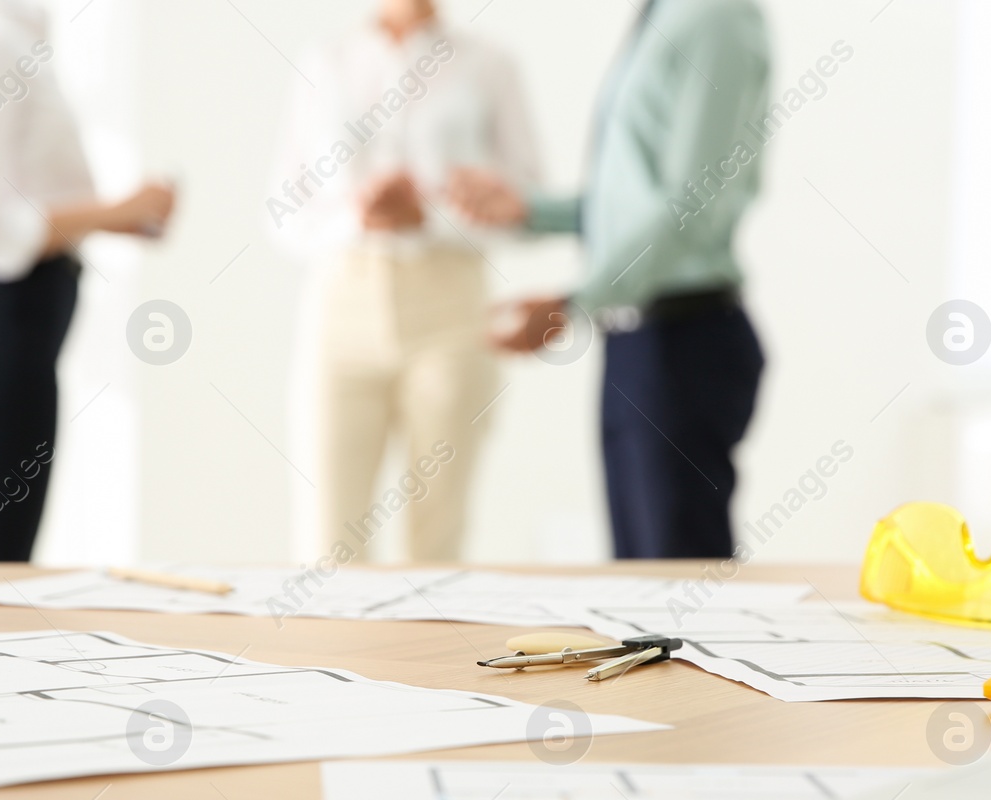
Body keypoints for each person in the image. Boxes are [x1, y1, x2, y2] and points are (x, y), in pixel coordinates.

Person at [449, 0, 770, 559]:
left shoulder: (714, 16)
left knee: (679, 593)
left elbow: (688, 204)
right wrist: (531, 210)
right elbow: (639, 199)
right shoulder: (664, 15)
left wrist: (575, 300)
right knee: (640, 588)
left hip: (684, 341)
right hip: (636, 340)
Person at [0, 0, 174, 561]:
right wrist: (112, 212)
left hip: (10, 322)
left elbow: (9, 201)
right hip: (0, 321)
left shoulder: (8, 35)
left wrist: (114, 216)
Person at [268, 0, 538, 562]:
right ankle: (332, 652)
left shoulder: (488, 64)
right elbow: (285, 212)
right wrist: (357, 215)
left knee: (437, 537)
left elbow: (527, 200)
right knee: (327, 542)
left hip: (450, 306)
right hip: (342, 303)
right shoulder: (326, 61)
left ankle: (430, 652)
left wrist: (432, 217)